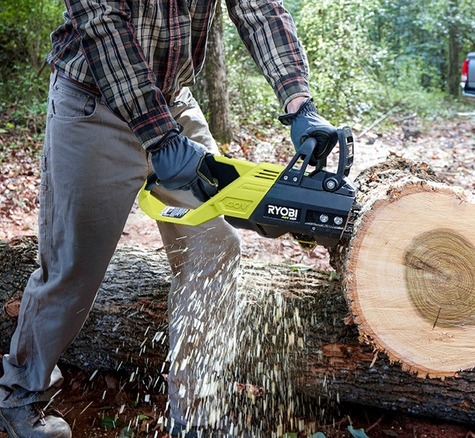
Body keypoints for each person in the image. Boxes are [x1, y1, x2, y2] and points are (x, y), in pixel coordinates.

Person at [0, 0, 337, 436]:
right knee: (73, 265)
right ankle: (19, 391)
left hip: (173, 103)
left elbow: (259, 8)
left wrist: (299, 102)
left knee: (215, 245)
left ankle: (196, 412)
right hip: (93, 105)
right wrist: (160, 139)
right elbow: (102, 24)